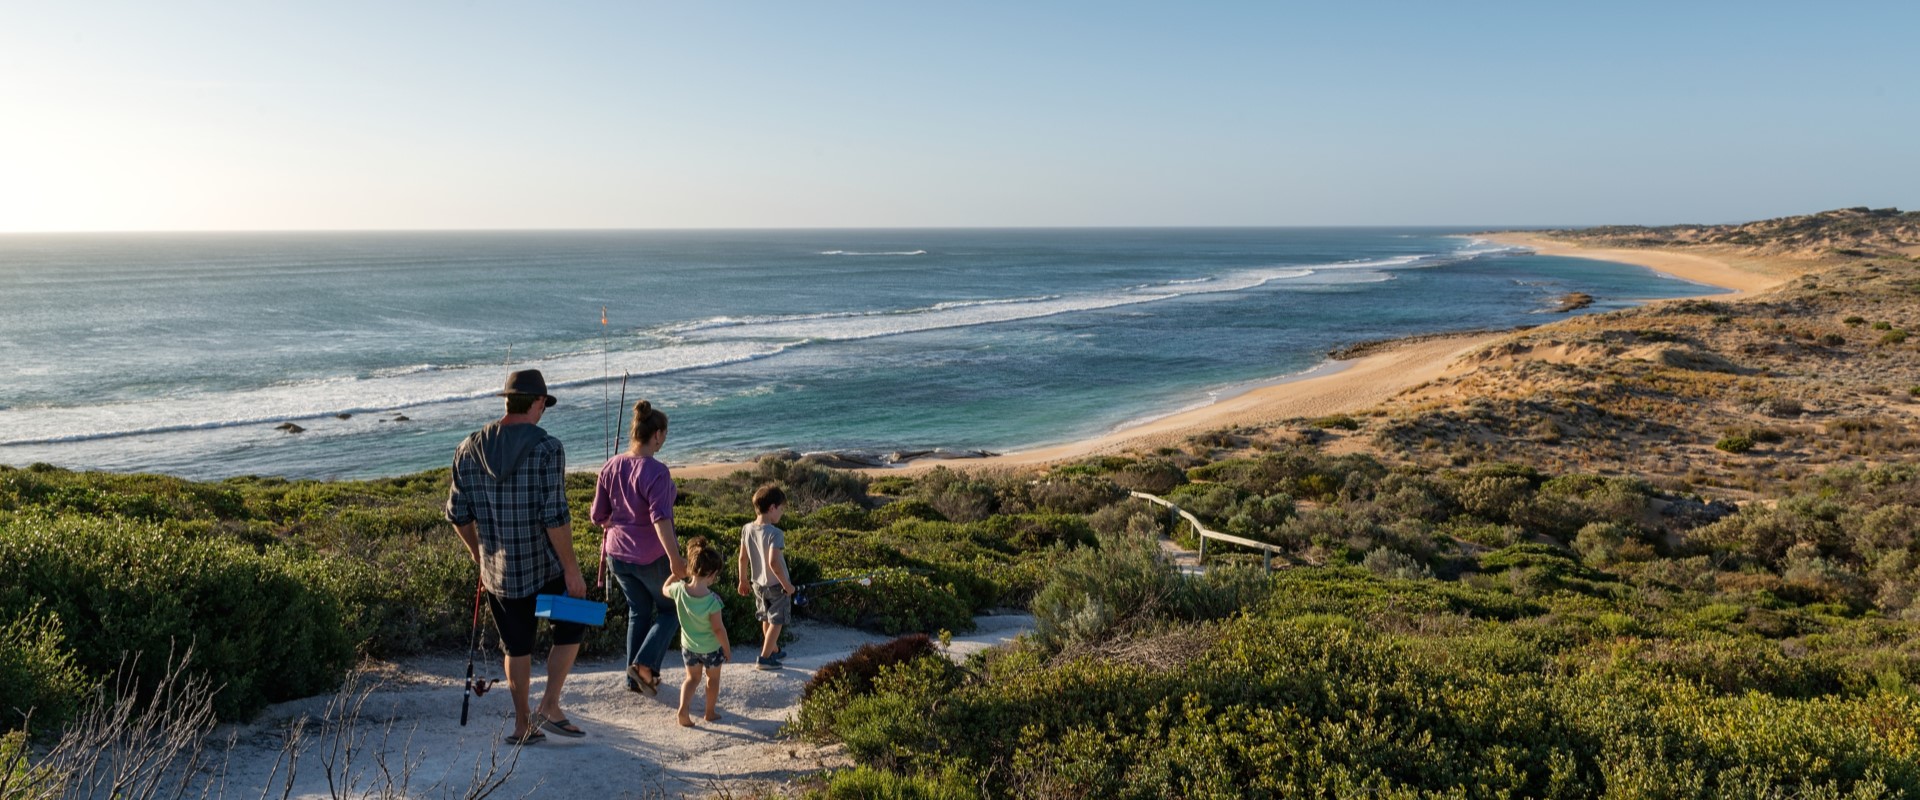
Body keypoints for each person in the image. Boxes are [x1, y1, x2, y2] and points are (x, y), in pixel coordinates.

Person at [447, 368, 588, 746]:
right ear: (538, 403)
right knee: (577, 618)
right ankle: (551, 705)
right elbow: (555, 516)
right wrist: (572, 571)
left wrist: (479, 556)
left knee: (517, 646)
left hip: (498, 574)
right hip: (545, 568)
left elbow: (458, 515)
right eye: (544, 404)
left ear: (508, 401)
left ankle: (522, 723)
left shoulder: (467, 447)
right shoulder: (547, 448)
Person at [589, 400, 684, 698]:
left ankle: (634, 680)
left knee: (638, 612)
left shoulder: (611, 465)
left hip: (617, 555)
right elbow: (660, 518)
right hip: (650, 557)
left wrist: (618, 522)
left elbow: (597, 516)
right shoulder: (656, 471)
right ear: (656, 434)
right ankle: (643, 667)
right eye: (664, 435)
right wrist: (676, 559)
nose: (664, 439)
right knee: (672, 610)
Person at [663, 538, 731, 727]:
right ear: (711, 574)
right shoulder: (713, 601)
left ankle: (683, 710)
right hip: (711, 649)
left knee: (692, 679)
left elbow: (664, 589)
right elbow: (718, 629)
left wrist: (677, 574)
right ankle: (709, 712)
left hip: (688, 646)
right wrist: (726, 648)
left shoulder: (679, 590)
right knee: (713, 679)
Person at [736, 483, 794, 671]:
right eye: (781, 509)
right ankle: (765, 658)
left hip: (757, 584)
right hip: (777, 585)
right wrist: (788, 585)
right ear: (772, 508)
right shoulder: (775, 533)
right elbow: (774, 563)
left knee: (765, 618)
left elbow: (743, 557)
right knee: (777, 621)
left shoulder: (747, 528)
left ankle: (773, 649)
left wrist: (742, 580)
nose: (781, 513)